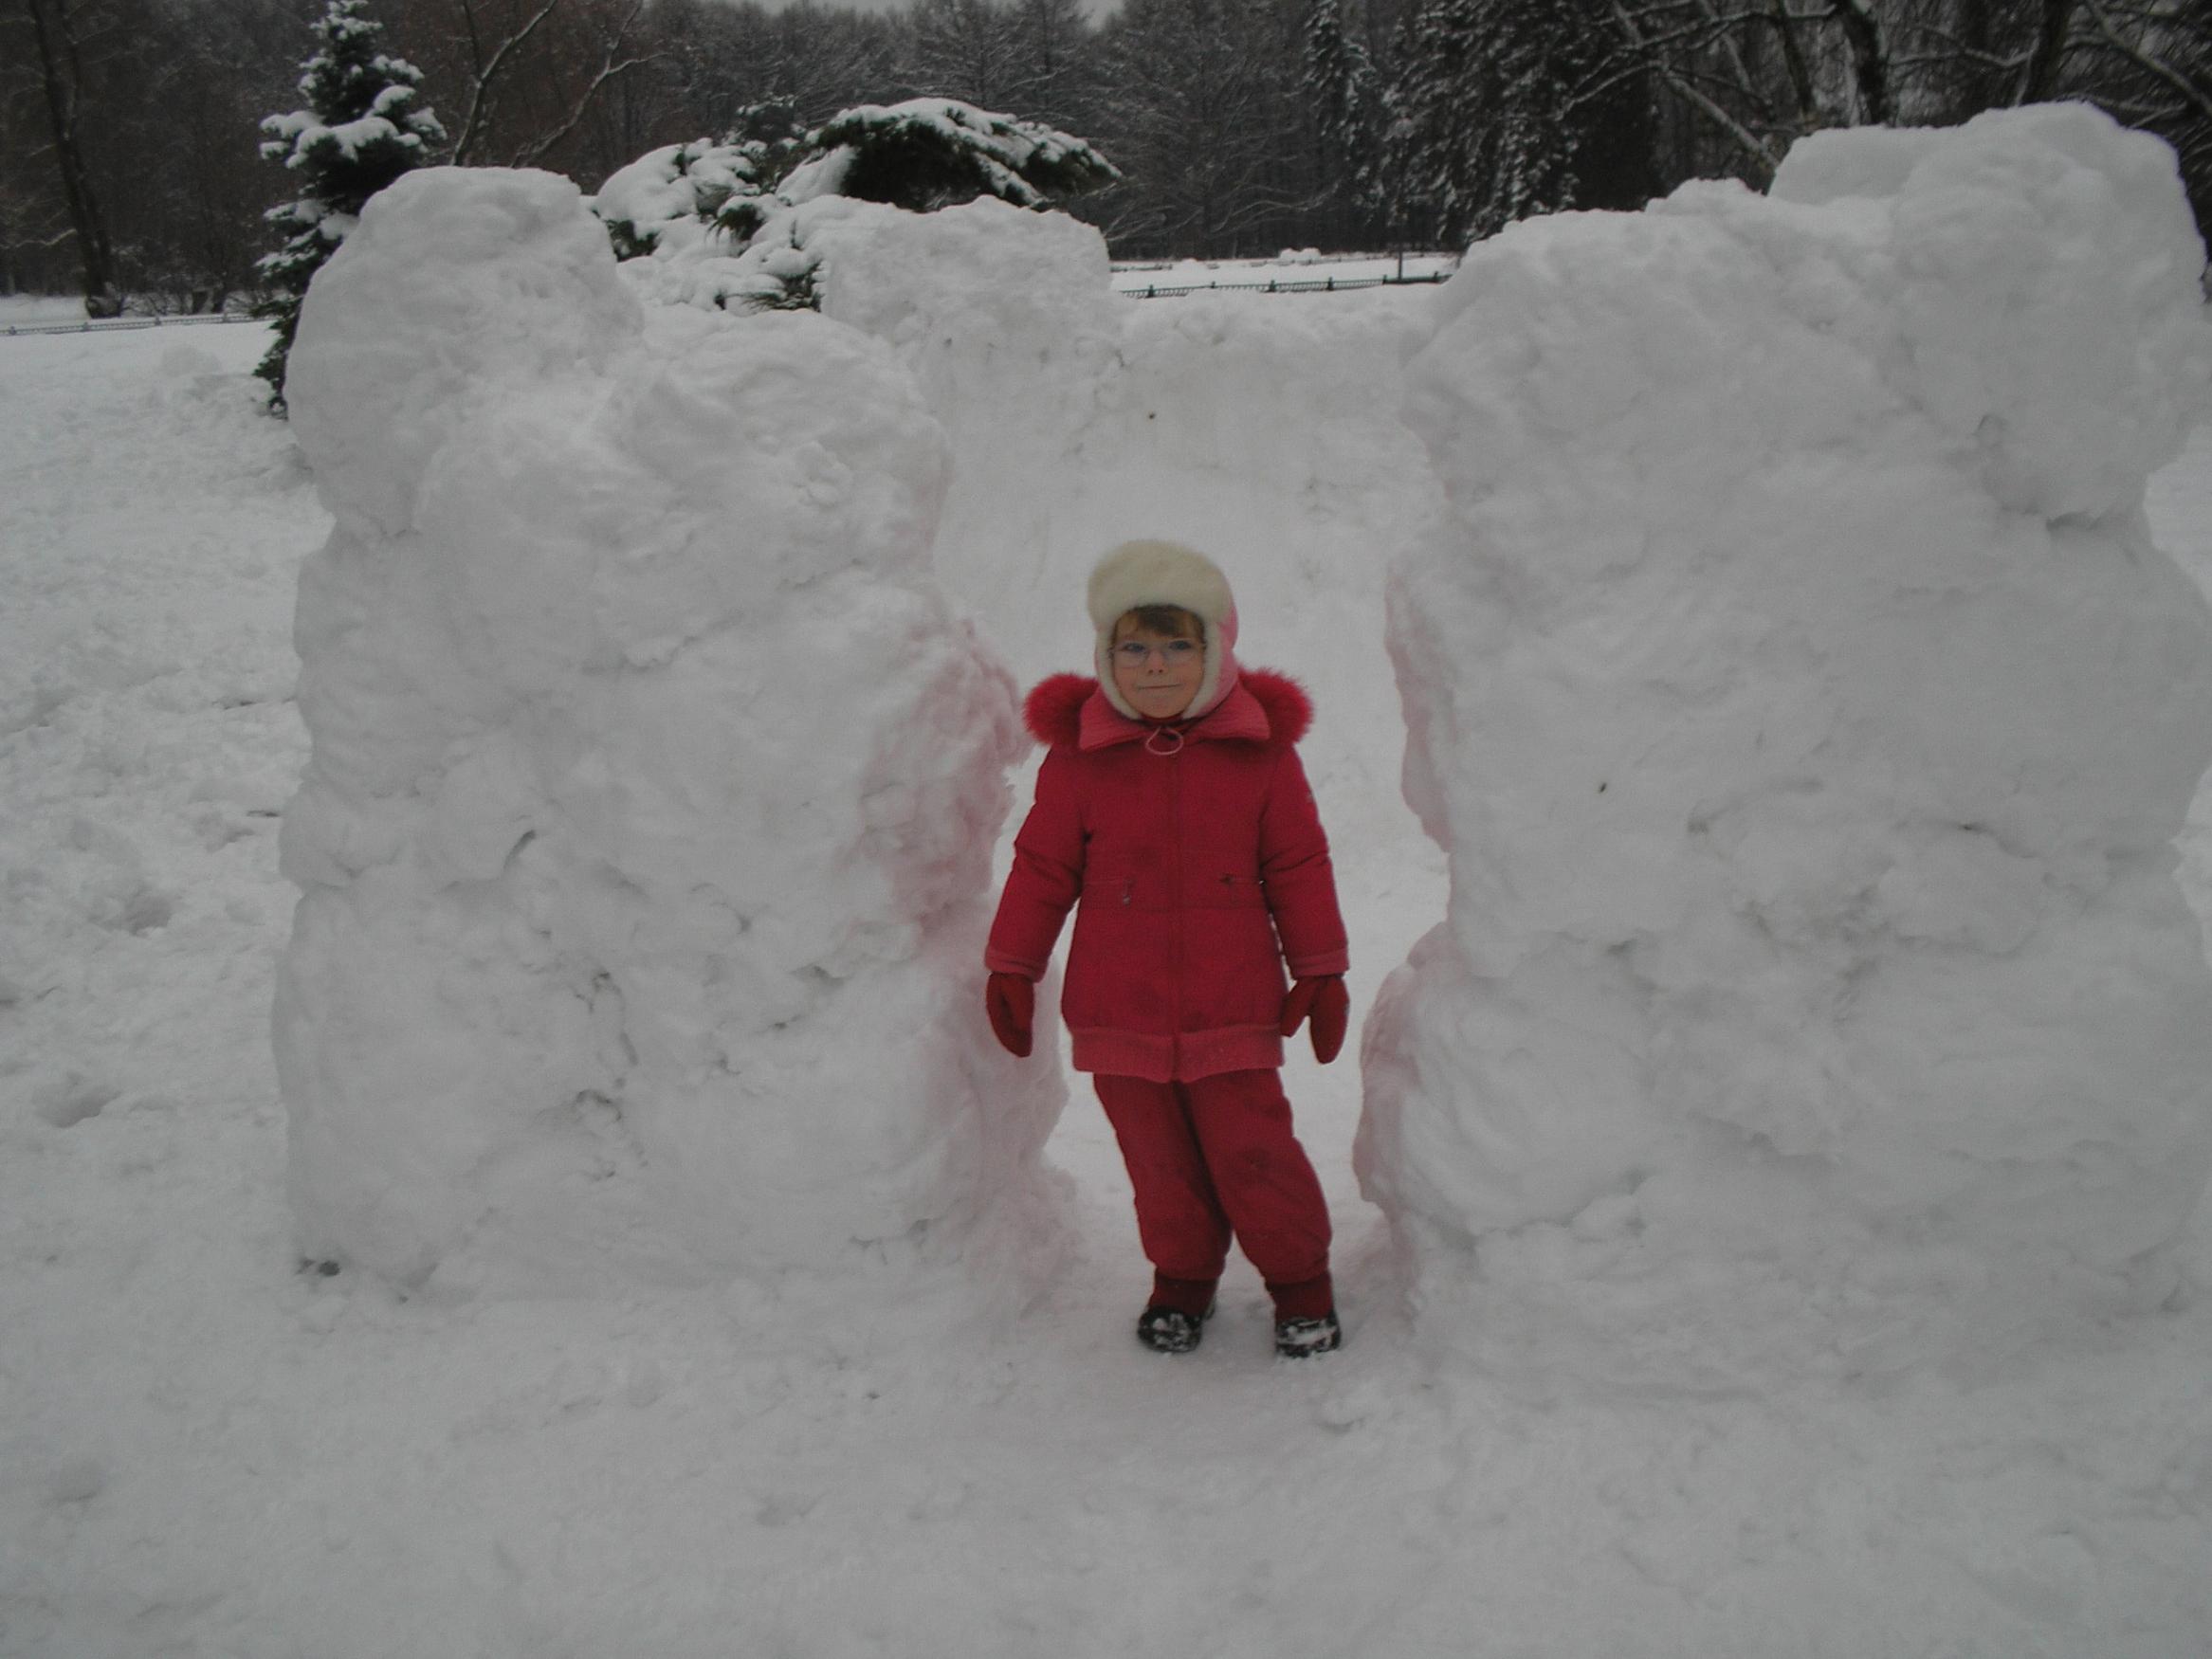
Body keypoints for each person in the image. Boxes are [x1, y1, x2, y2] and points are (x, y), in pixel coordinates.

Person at [983, 539, 1352, 1358]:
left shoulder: (1260, 754)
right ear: (1106, 657)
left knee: (1253, 1149)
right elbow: (1043, 868)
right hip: (1119, 1009)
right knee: (1158, 1163)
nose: (1155, 666)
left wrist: (1321, 968)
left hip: (1232, 1002)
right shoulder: (1081, 757)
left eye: (1177, 646)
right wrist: (1013, 963)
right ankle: (1182, 1280)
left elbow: (1297, 863)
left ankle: (1300, 1283)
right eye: (1135, 648)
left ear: (1216, 649)